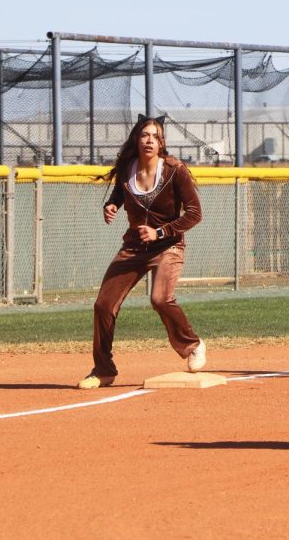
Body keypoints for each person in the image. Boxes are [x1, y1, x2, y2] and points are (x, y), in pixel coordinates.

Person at [78, 114, 205, 389]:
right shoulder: (127, 169)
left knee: (160, 298)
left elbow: (195, 213)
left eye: (155, 136)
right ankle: (103, 369)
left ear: (162, 143)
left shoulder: (174, 170)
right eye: (144, 135)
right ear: (137, 140)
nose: (149, 140)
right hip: (134, 247)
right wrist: (111, 205)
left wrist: (161, 232)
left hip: (168, 245)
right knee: (103, 304)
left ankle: (192, 346)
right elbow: (119, 195)